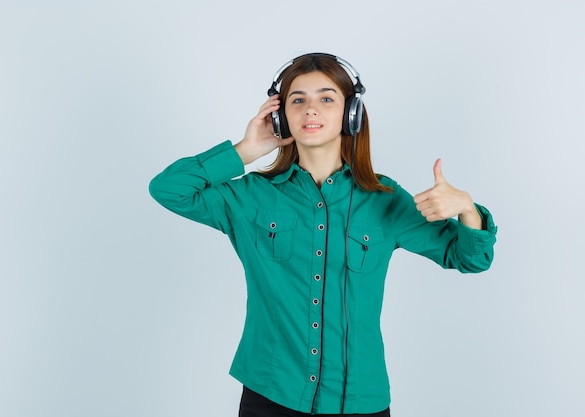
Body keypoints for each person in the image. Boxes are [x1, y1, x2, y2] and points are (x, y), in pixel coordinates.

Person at [149, 53, 497, 417]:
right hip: (271, 394)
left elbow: (471, 258)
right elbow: (169, 189)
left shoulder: (385, 200)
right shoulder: (250, 197)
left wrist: (467, 210)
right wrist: (247, 150)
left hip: (359, 401)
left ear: (351, 114)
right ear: (281, 116)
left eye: (326, 98)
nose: (310, 110)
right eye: (297, 100)